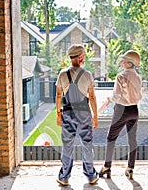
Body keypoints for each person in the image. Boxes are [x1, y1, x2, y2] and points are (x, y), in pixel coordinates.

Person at [55, 44, 99, 186]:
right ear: (80, 57)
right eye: (84, 55)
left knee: (68, 145)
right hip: (84, 113)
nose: (84, 57)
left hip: (68, 113)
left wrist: (58, 115)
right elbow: (91, 97)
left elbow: (58, 96)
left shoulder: (62, 74)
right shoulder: (87, 75)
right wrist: (95, 116)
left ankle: (64, 177)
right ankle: (91, 176)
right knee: (87, 144)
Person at [99, 50, 142, 180]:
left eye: (124, 61)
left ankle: (106, 167)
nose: (121, 62)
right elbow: (139, 95)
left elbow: (117, 96)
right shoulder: (138, 77)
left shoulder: (121, 76)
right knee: (132, 140)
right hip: (134, 110)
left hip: (121, 110)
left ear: (130, 63)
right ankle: (130, 168)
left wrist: (109, 98)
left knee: (111, 138)